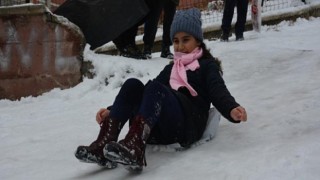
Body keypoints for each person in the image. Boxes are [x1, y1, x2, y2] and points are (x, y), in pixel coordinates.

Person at [75, 8, 247, 172]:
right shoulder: (172, 67)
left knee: (156, 88)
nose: (180, 46)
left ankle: (135, 148)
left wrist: (231, 108)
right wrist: (113, 111)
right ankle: (104, 144)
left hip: (188, 125)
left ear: (198, 41)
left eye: (186, 40)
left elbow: (218, 91)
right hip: (159, 128)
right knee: (133, 84)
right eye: (176, 41)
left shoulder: (207, 66)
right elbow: (147, 92)